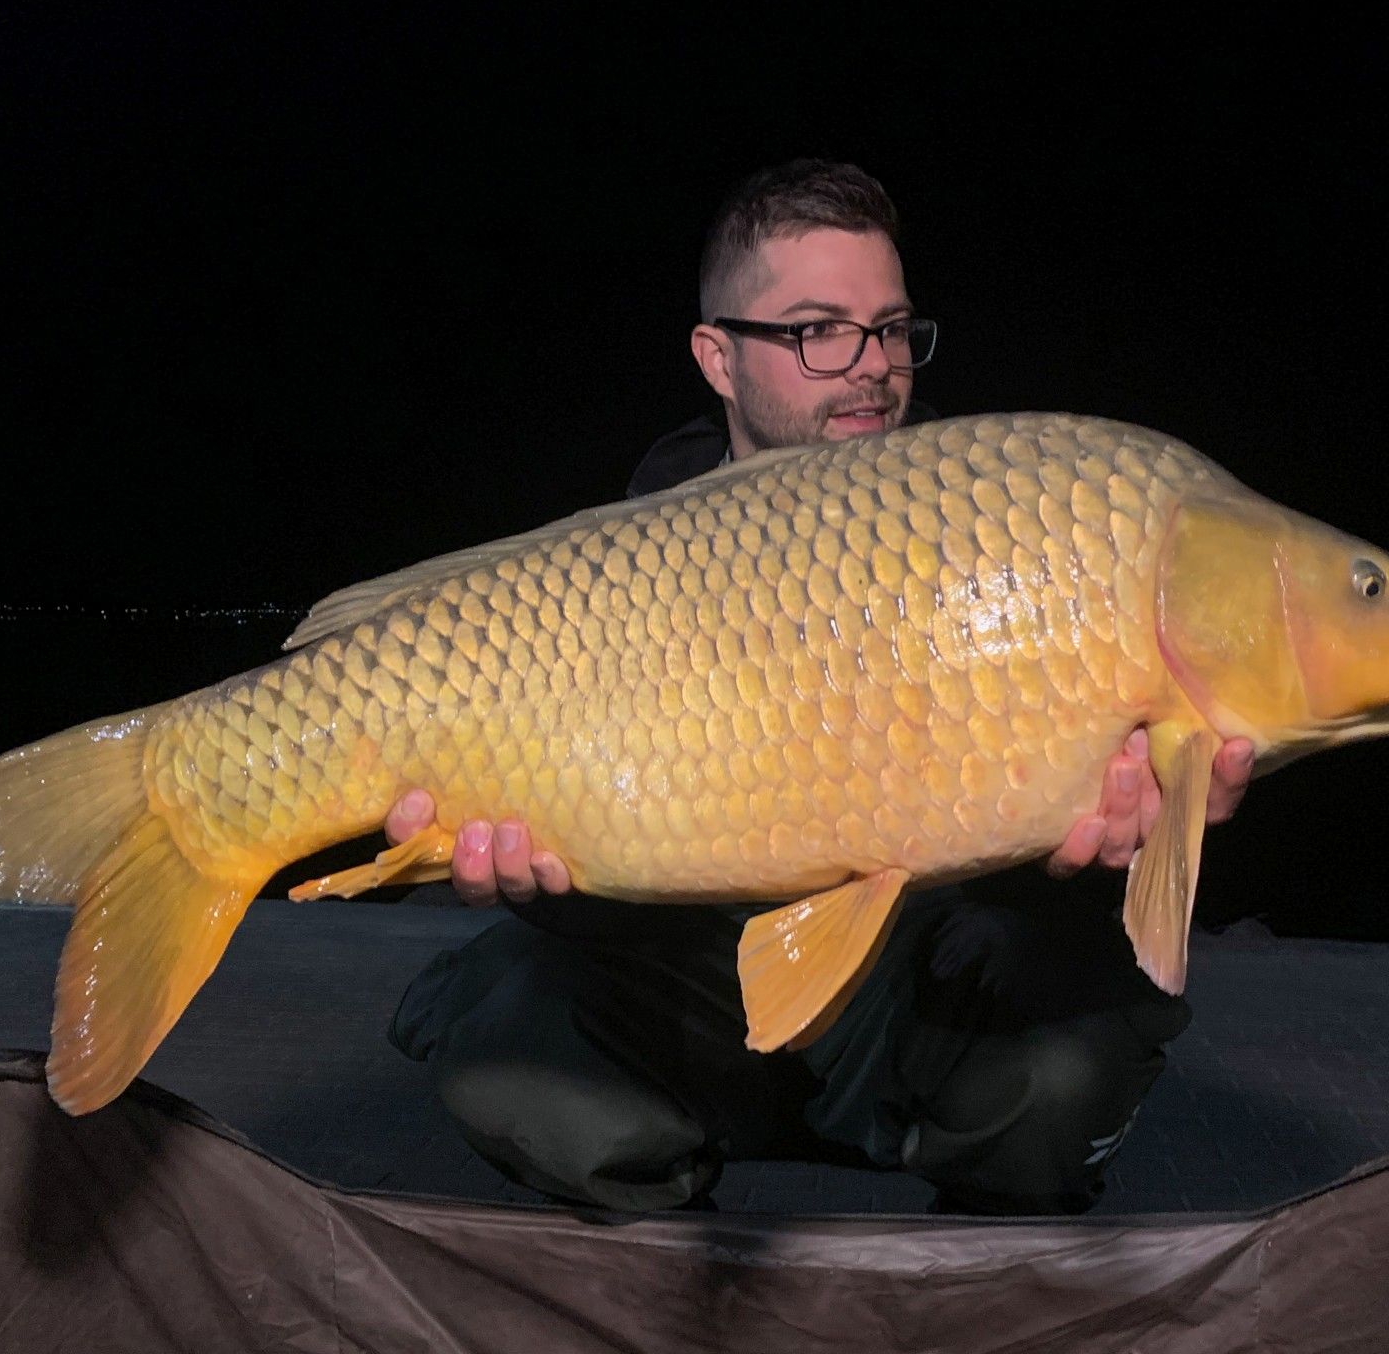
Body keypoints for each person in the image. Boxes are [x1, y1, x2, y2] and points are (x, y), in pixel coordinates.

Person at [382, 160, 1255, 1215]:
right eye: (816, 330)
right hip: (692, 995)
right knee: (505, 1048)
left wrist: (1097, 847)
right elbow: (617, 885)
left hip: (903, 995)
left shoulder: (994, 533)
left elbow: (1027, 863)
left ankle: (972, 1274)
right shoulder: (610, 578)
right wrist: (546, 894)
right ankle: (674, 1281)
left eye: (890, 328)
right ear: (717, 357)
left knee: (1068, 1059)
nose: (873, 367)